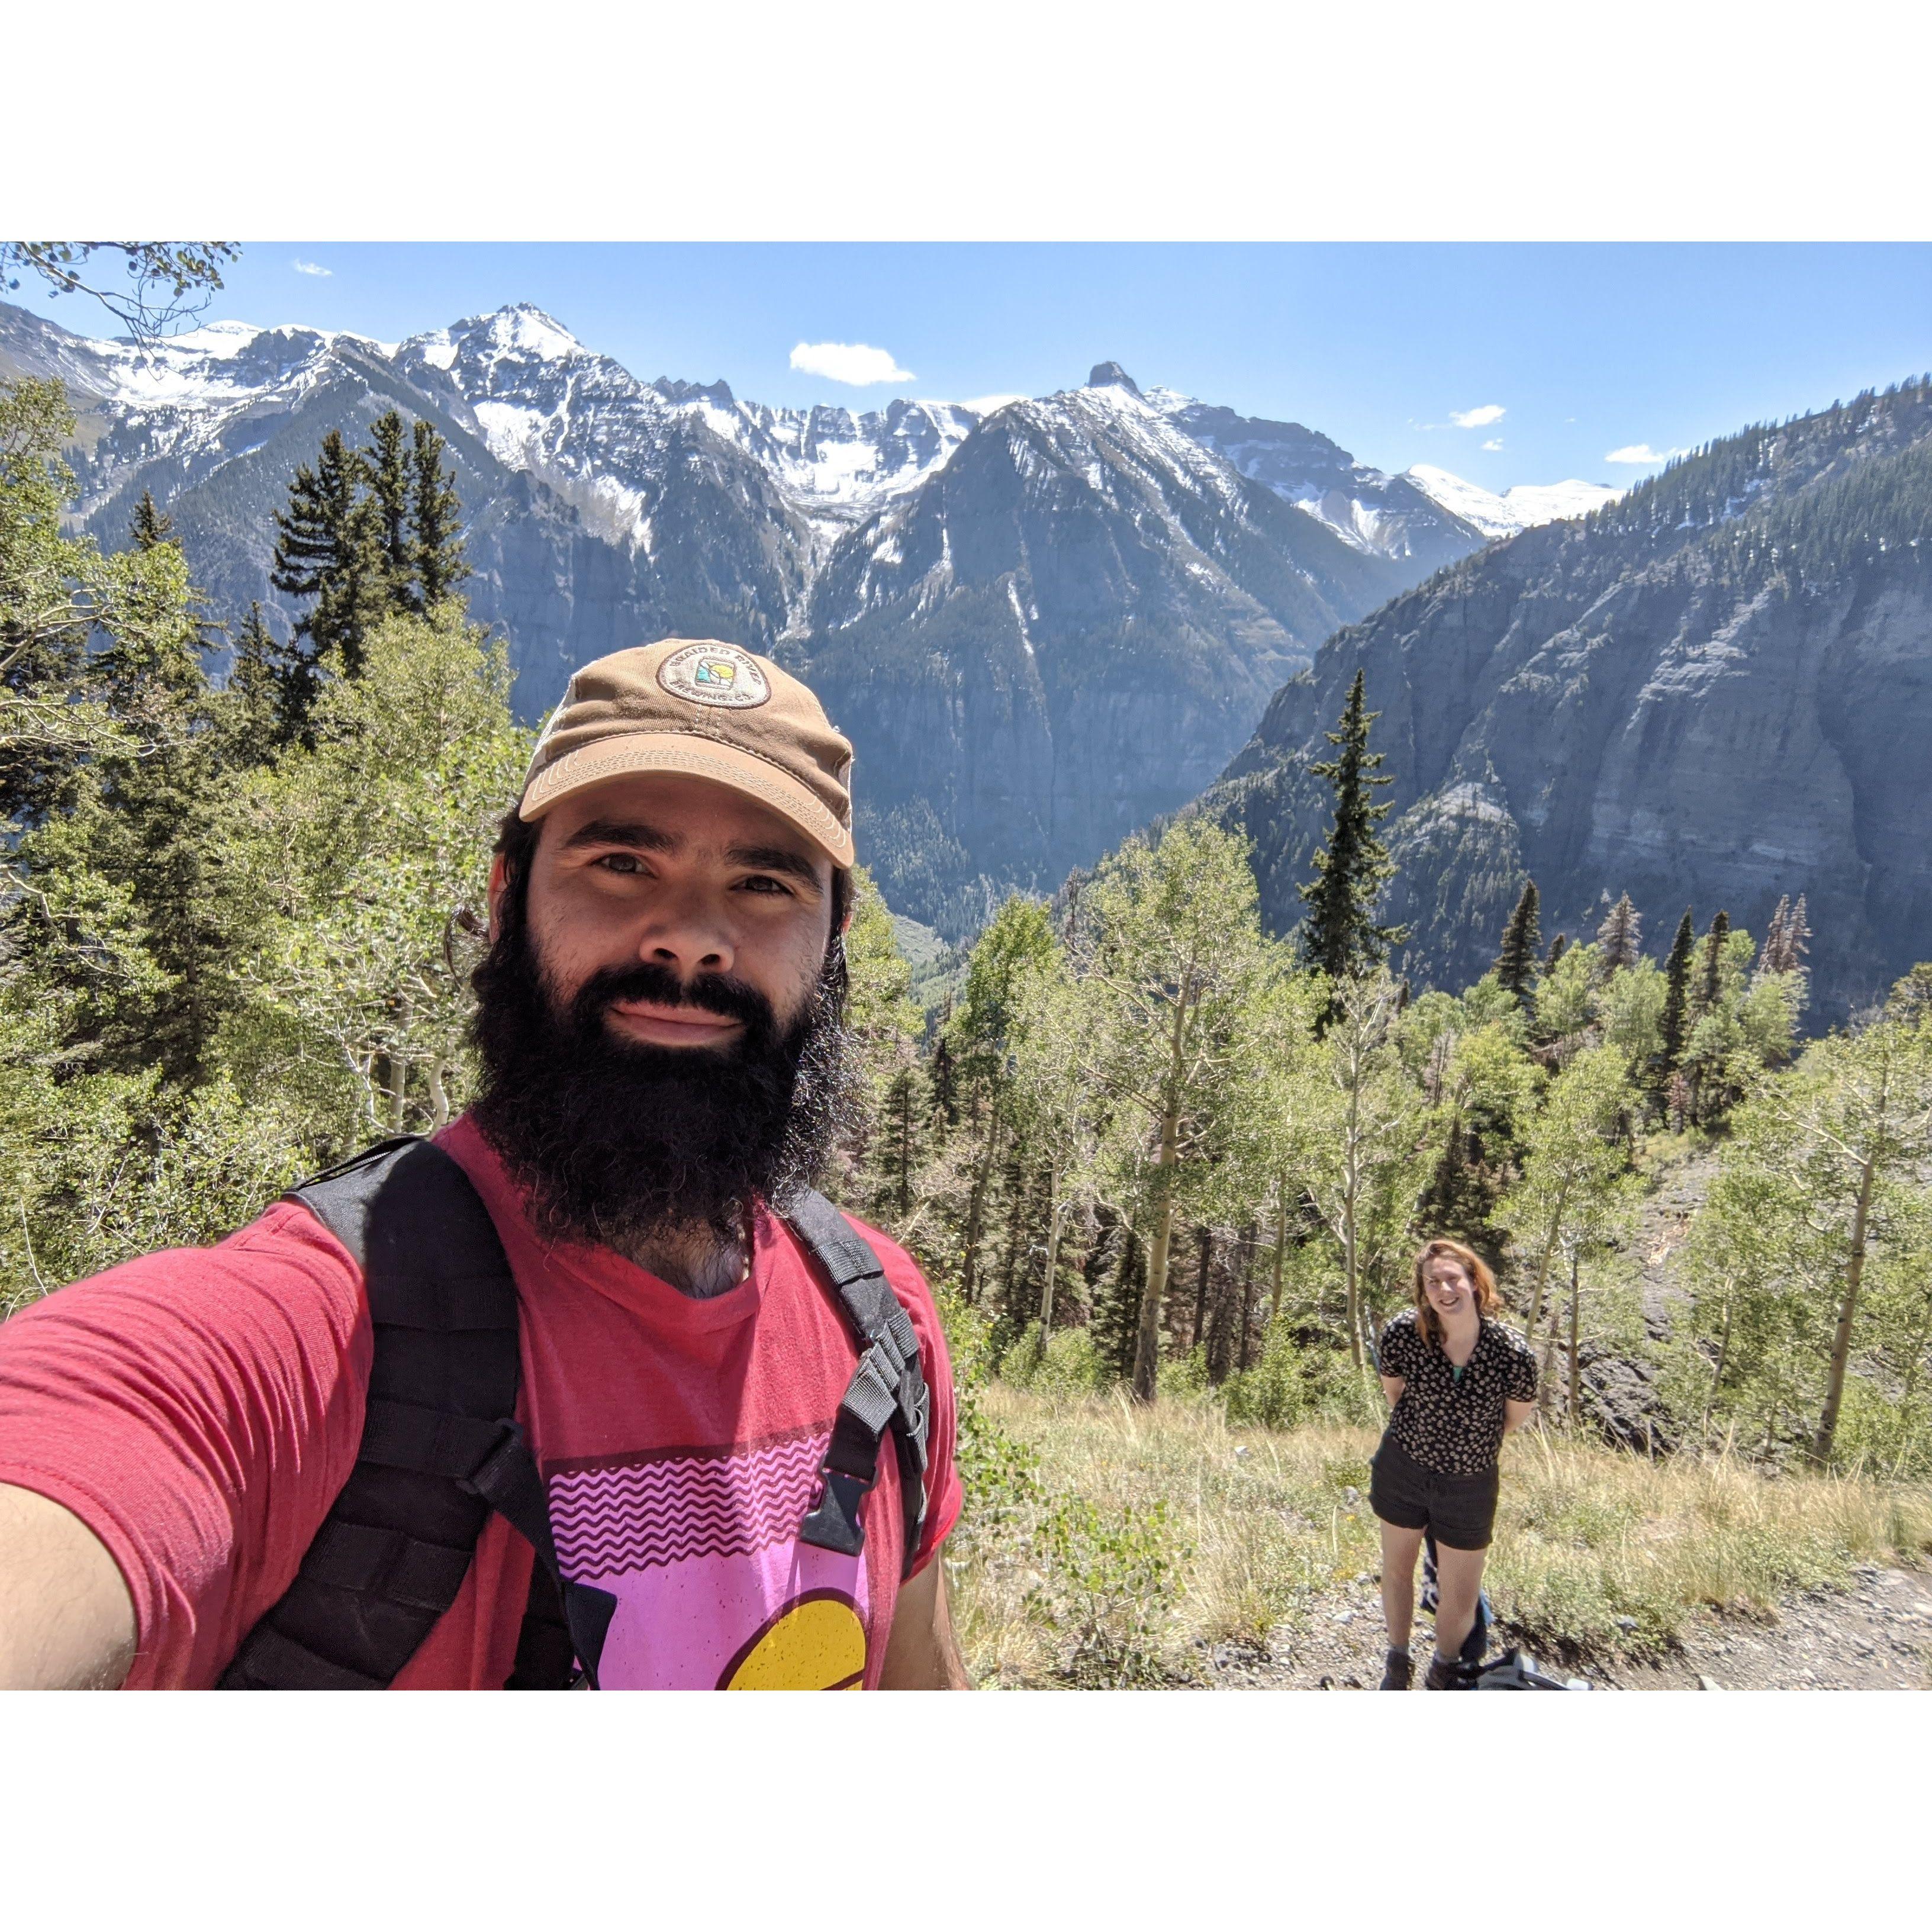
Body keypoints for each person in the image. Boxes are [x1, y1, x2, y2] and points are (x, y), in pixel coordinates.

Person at [0, 638, 966, 1690]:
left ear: (831, 945)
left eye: (765, 882)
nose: (691, 938)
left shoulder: (882, 1327)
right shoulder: (316, 1334)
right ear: (508, 894)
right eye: (621, 862)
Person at [1369, 1238, 1537, 1690]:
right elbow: (1394, 1393)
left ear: (1475, 1283)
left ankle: (1443, 1669)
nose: (1445, 1289)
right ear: (1423, 1291)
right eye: (1433, 1282)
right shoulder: (1404, 1333)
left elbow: (1513, 1419)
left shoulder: (1512, 1352)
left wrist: (1463, 1444)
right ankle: (1397, 1660)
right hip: (1404, 1468)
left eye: (1452, 1278)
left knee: (1460, 1594)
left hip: (1470, 1484)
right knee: (1399, 1569)